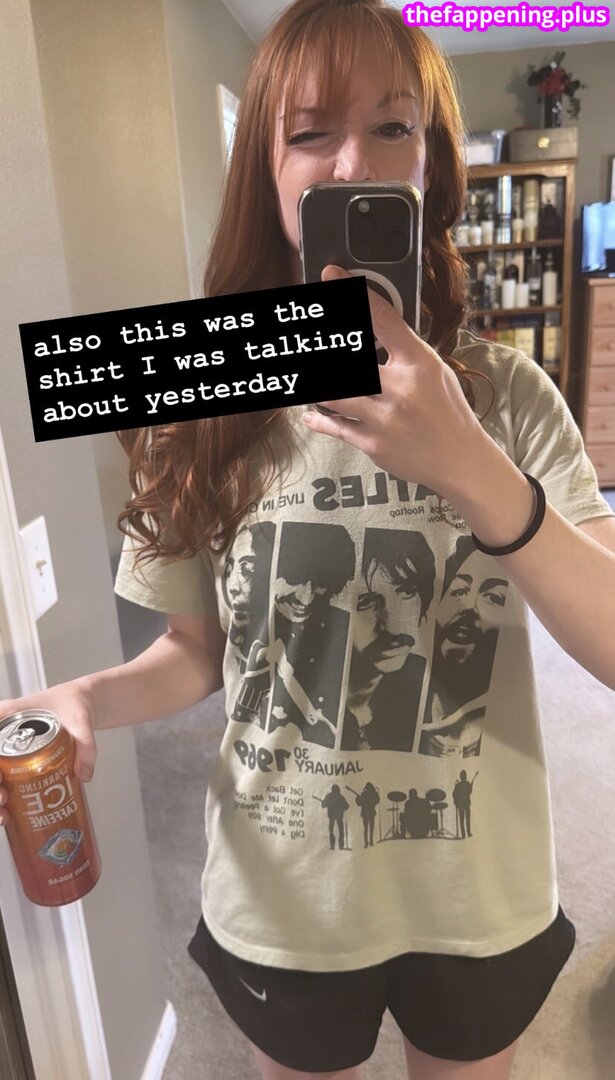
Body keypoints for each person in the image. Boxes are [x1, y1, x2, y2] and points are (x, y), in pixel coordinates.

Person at [2, 2, 615, 1078]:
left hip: (477, 886)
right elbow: (195, 652)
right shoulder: (200, 392)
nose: (350, 164)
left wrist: (471, 465)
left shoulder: (505, 394)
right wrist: (89, 697)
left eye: (392, 127)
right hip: (284, 894)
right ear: (264, 170)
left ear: (430, 163)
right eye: (309, 132)